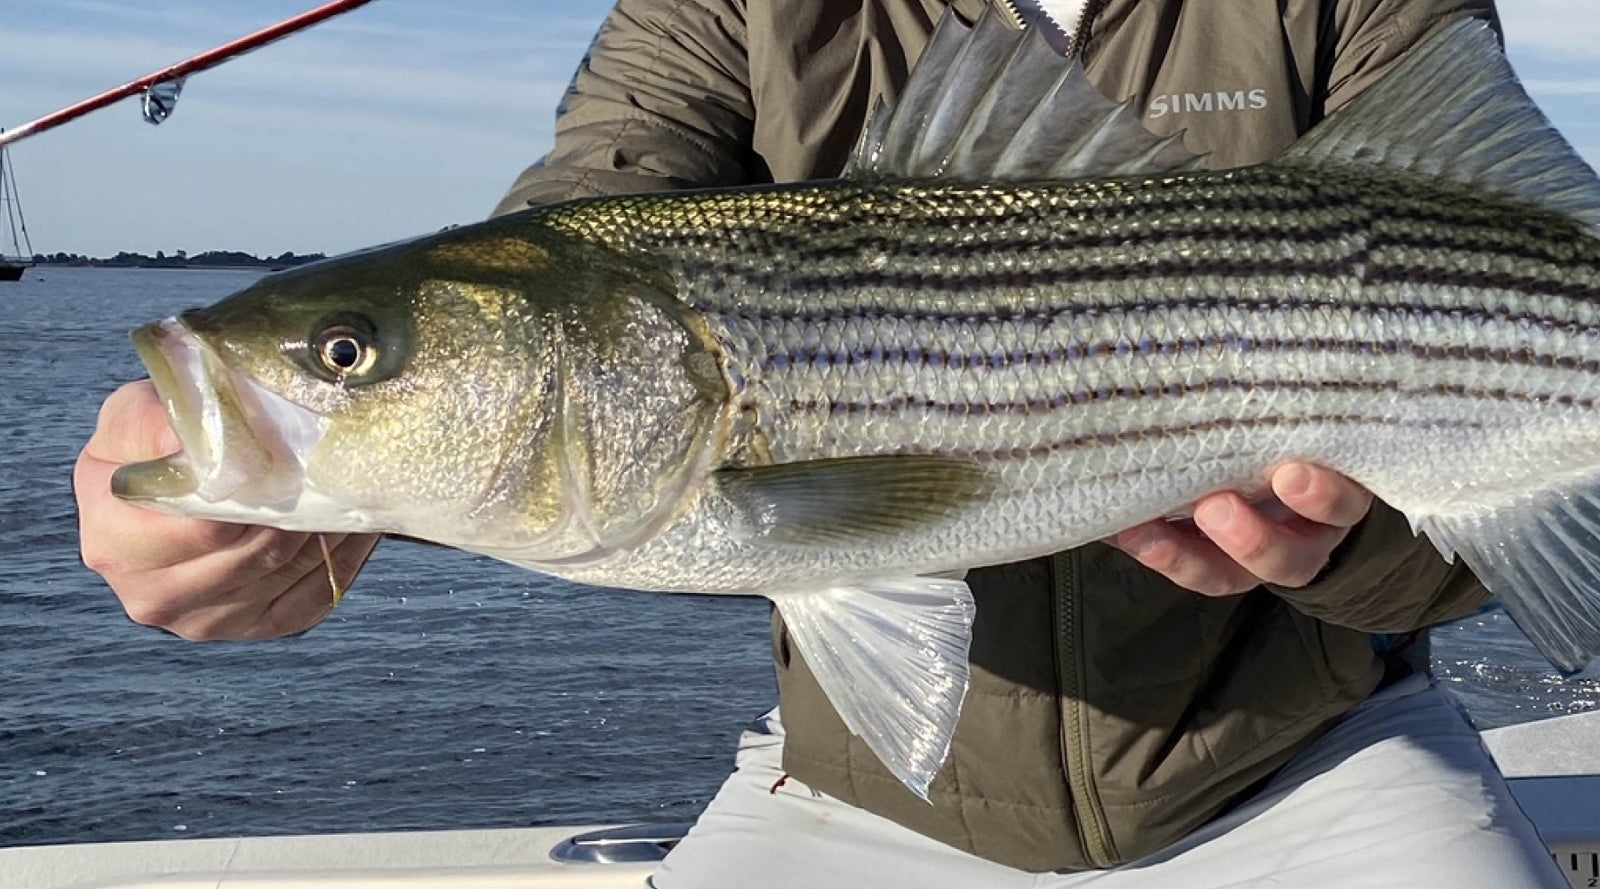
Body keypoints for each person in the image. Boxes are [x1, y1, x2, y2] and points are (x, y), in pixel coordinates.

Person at [76, 0, 1569, 886]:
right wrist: (301, 507)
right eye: (352, 355)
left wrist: (1353, 545)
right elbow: (558, 269)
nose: (340, 370)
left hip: (1310, 763)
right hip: (861, 795)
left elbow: (1457, 518)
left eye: (348, 359)